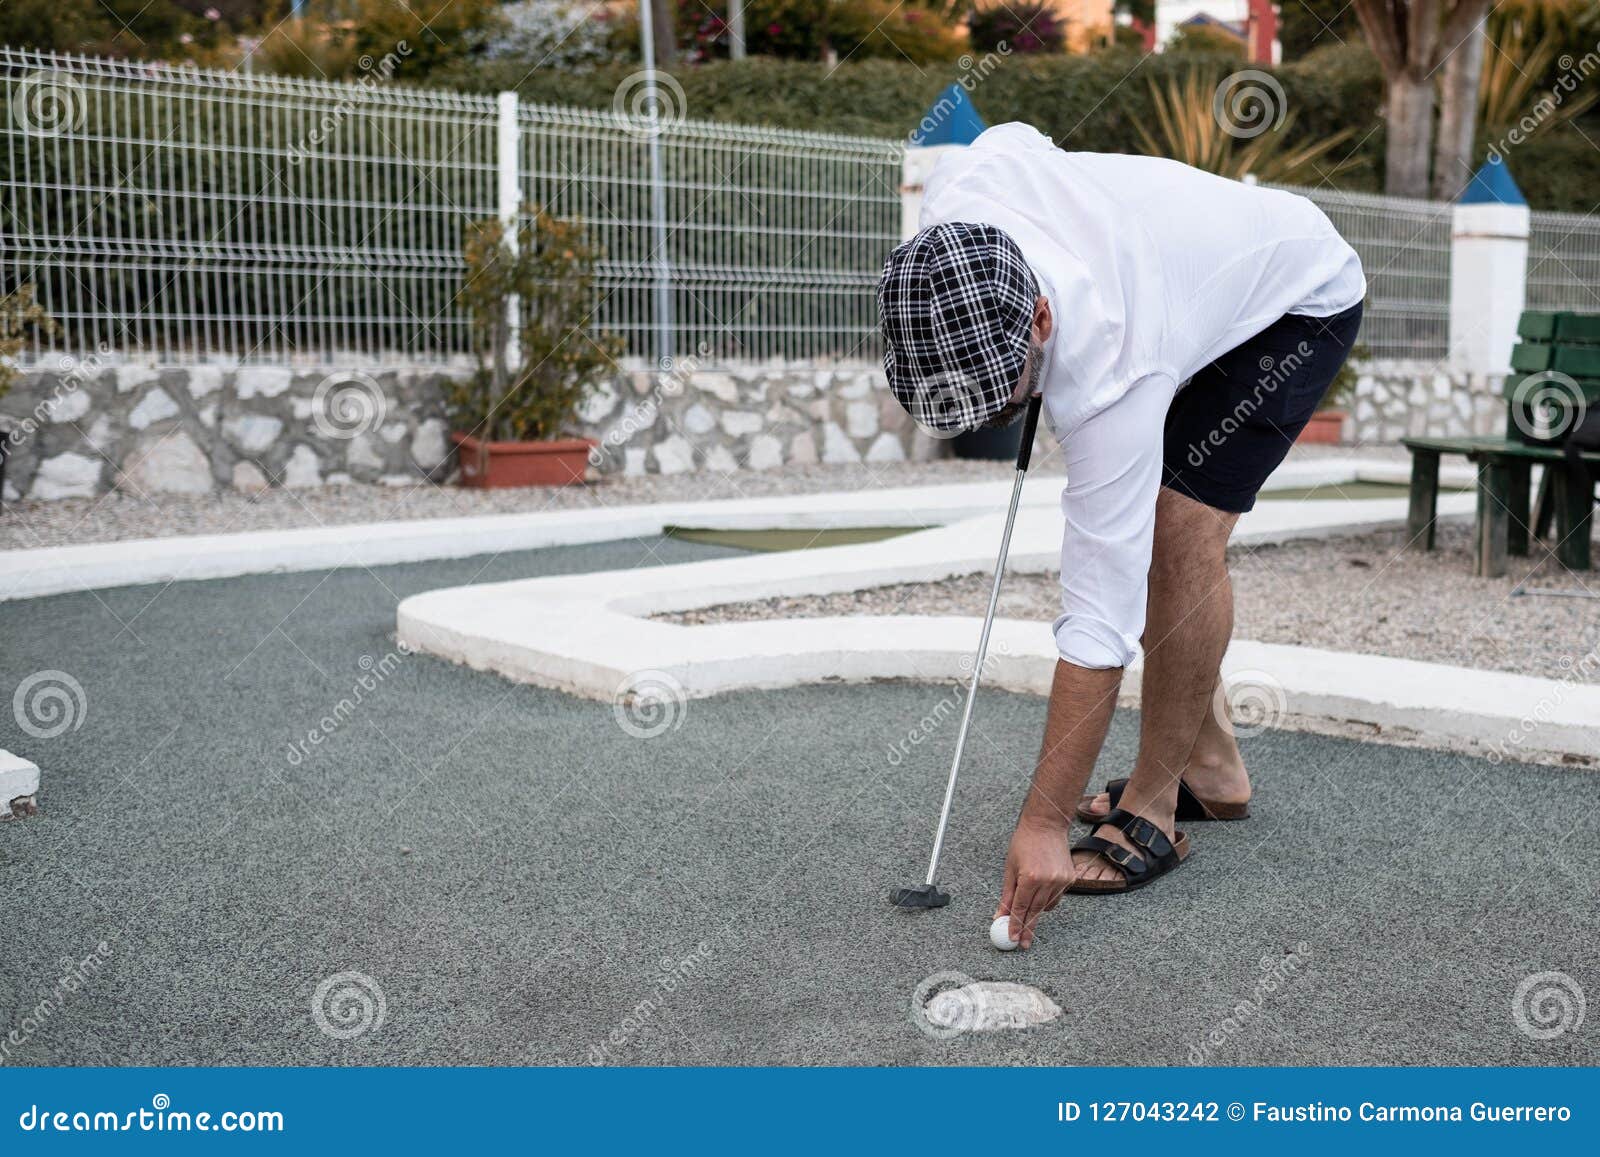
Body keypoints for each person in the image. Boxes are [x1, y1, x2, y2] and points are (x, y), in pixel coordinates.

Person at [876, 122, 1365, 948]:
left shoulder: (1112, 369)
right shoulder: (947, 219)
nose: (997, 416)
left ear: (1038, 317)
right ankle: (1213, 770)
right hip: (1175, 289)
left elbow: (1097, 627)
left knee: (1177, 534)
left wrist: (1043, 821)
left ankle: (1156, 805)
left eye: (1003, 395)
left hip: (1294, 303)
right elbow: (1013, 135)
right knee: (1160, 523)